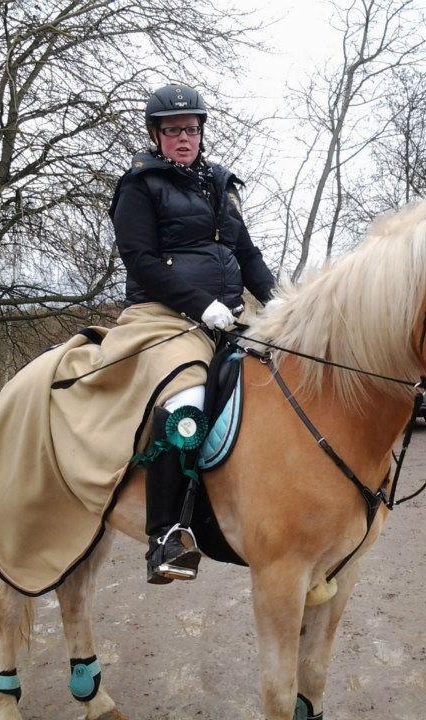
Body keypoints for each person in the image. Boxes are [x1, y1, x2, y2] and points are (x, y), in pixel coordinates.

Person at [109, 83, 277, 584]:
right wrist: (199, 305)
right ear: (156, 135)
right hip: (164, 317)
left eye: (191, 129)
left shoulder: (222, 184)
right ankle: (165, 535)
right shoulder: (139, 185)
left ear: (201, 132)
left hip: (226, 317)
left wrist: (279, 300)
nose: (184, 137)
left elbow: (247, 255)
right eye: (172, 130)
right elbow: (138, 258)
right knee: (186, 404)